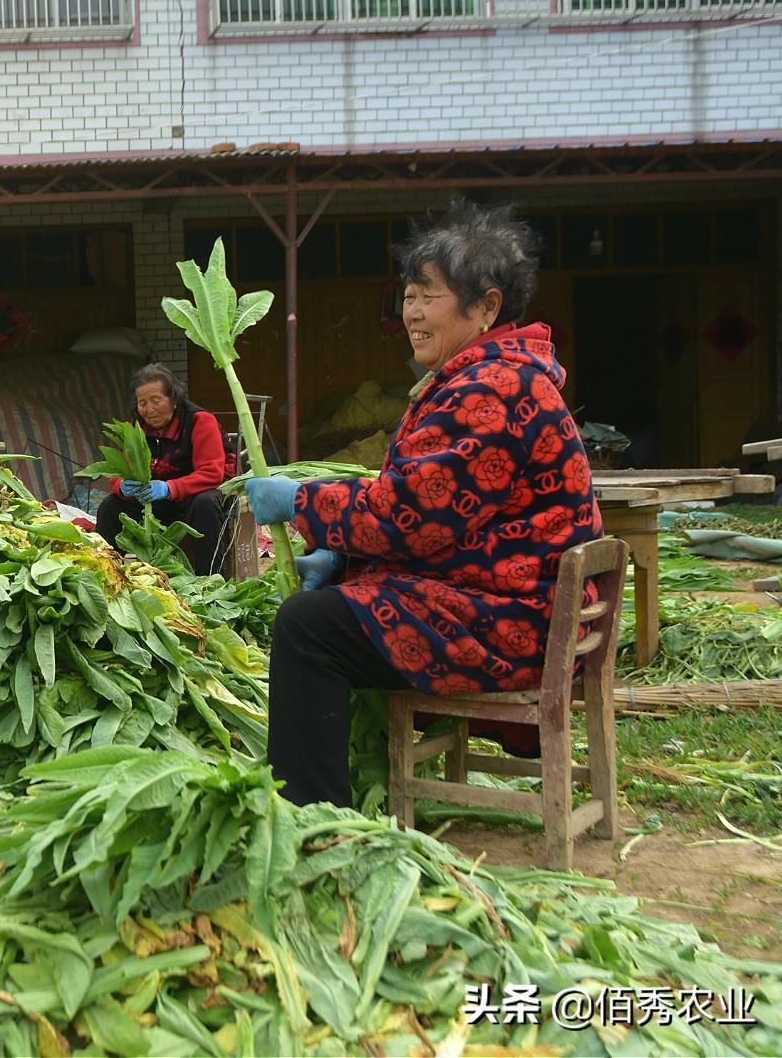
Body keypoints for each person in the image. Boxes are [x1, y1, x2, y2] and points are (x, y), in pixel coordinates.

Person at [244, 199, 602, 809]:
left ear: (487, 306)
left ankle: (311, 816)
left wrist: (300, 501)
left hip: (513, 624)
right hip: (506, 599)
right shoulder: (490, 375)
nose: (411, 312)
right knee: (334, 611)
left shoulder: (492, 387)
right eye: (408, 295)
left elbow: (411, 516)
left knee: (309, 629)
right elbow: (447, 519)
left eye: (428, 296)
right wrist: (345, 559)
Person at [95, 363, 234, 575]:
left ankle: (209, 578)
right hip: (157, 498)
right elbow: (119, 468)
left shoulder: (200, 421)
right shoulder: (136, 425)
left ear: (173, 399)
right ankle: (108, 573)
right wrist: (122, 485)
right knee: (109, 506)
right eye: (142, 403)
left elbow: (212, 473)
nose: (149, 409)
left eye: (156, 400)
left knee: (204, 504)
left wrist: (169, 488)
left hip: (195, 496)